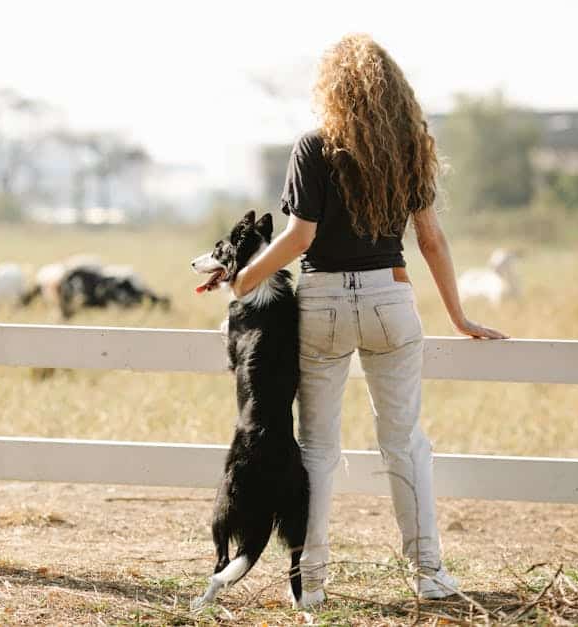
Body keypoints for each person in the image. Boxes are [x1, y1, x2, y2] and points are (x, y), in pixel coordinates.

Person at [231, 33, 508, 607]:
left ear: (333, 89)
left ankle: (310, 585)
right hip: (391, 302)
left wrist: (244, 278)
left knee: (316, 448)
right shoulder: (409, 150)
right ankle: (430, 574)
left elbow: (301, 236)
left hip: (324, 303)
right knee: (405, 443)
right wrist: (458, 315)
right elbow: (430, 239)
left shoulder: (313, 146)